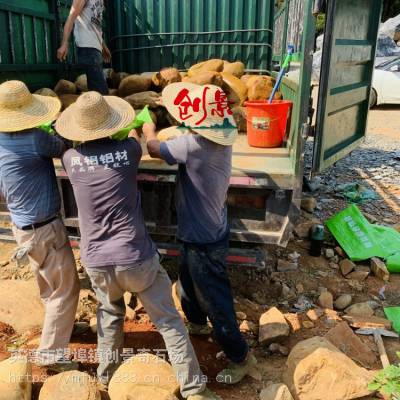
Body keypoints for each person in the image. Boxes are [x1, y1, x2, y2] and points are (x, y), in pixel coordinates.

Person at [56, 91, 221, 400]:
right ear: (111, 125)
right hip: (136, 257)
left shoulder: (70, 159)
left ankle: (107, 377)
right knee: (169, 322)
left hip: (96, 261)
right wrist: (143, 124)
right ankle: (194, 389)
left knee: (110, 312)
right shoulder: (129, 151)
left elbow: (80, 150)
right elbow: (140, 139)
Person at [143, 83, 257, 384]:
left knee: (215, 300)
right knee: (188, 283)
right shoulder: (218, 140)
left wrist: (147, 127)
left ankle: (241, 356)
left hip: (203, 237)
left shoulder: (193, 146)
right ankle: (196, 324)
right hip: (206, 230)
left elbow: (154, 148)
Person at [0, 80, 80, 371]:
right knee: (67, 289)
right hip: (44, 227)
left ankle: (61, 323)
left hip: (22, 227)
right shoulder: (35, 138)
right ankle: (51, 354)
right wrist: (60, 127)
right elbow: (64, 147)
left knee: (48, 282)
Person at [57, 0, 110, 95]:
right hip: (87, 46)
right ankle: (102, 109)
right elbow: (70, 18)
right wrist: (64, 43)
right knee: (100, 90)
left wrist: (104, 47)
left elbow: (95, 27)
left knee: (98, 88)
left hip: (96, 48)